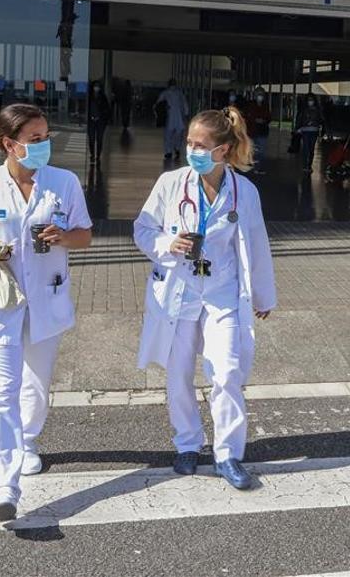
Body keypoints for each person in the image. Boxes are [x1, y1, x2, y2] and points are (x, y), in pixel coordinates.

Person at [0, 103, 94, 521]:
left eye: (47, 137)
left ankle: (27, 440)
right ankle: (2, 488)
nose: (45, 144)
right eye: (35, 139)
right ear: (10, 144)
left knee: (34, 386)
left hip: (46, 299)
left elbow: (85, 235)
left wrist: (64, 237)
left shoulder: (63, 183)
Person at [133, 107, 277, 491]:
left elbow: (257, 244)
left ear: (224, 150)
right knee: (178, 372)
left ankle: (228, 454)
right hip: (179, 290)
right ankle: (187, 444)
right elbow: (142, 229)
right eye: (189, 143)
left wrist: (263, 294)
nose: (192, 150)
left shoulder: (244, 192)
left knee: (227, 372)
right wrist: (167, 243)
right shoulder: (171, 183)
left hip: (222, 292)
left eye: (201, 145)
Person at [157, 79, 189, 161]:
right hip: (177, 118)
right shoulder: (179, 93)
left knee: (168, 135)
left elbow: (158, 104)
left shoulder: (166, 93)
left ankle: (169, 151)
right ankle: (176, 149)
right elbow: (185, 104)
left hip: (171, 117)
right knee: (178, 135)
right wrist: (186, 114)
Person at [242, 88, 272, 173]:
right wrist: (254, 120)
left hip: (262, 131)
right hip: (252, 131)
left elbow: (269, 117)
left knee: (261, 150)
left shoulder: (265, 105)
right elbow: (247, 116)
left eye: (261, 94)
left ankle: (258, 167)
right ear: (255, 95)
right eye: (258, 94)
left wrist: (264, 120)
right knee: (252, 150)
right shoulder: (250, 105)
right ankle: (253, 166)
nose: (260, 96)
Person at [295, 94, 324, 173]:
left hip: (313, 131)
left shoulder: (317, 110)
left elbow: (321, 120)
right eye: (309, 100)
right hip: (306, 131)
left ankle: (308, 165)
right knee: (306, 148)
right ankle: (306, 165)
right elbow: (300, 119)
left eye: (311, 100)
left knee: (310, 149)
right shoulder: (305, 110)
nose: (310, 102)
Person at [87, 80, 111, 164]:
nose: (96, 88)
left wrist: (104, 119)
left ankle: (98, 155)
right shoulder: (89, 97)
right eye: (95, 86)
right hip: (91, 121)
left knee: (99, 139)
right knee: (91, 139)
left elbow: (106, 110)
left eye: (97, 87)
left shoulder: (103, 97)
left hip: (100, 121)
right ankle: (92, 154)